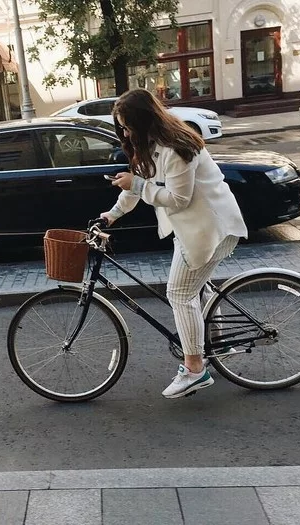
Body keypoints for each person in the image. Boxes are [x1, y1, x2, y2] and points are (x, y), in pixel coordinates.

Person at [100, 89, 247, 399]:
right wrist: (111, 215)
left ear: (142, 121)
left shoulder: (176, 147)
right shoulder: (150, 144)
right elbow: (137, 186)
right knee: (198, 288)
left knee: (179, 292)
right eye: (121, 126)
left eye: (126, 126)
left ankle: (195, 369)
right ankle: (218, 342)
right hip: (194, 228)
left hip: (212, 227)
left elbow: (177, 200)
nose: (124, 132)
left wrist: (136, 184)